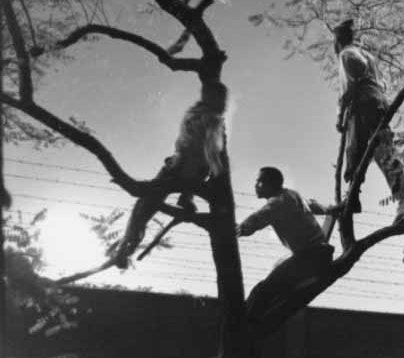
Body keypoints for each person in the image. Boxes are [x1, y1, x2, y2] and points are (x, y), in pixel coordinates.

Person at [111, 82, 227, 269]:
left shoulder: (193, 112)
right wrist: (220, 173)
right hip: (191, 170)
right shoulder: (213, 119)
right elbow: (212, 151)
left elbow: (186, 142)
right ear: (216, 98)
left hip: (175, 165)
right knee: (146, 205)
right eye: (222, 99)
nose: (224, 103)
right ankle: (127, 246)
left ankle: (127, 246)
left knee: (144, 207)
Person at [333, 18, 404, 226]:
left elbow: (351, 82)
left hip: (363, 106)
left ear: (339, 40)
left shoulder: (347, 53)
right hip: (377, 103)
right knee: (368, 153)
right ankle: (354, 198)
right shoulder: (368, 56)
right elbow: (382, 84)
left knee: (370, 153)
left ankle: (399, 202)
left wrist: (340, 114)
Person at [236, 167, 334, 318]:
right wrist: (331, 208)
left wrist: (238, 229)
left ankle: (243, 323)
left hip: (310, 258)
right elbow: (311, 206)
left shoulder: (277, 203)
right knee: (276, 272)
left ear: (270, 184)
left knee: (261, 291)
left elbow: (258, 218)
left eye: (259, 181)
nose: (256, 185)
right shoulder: (291, 194)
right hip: (319, 254)